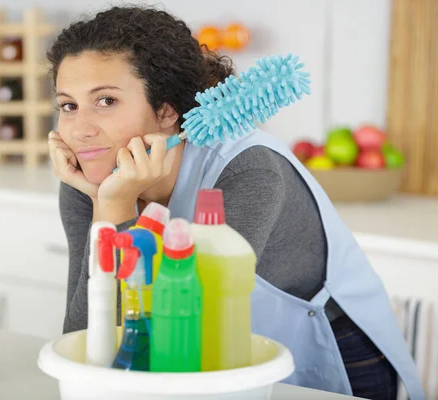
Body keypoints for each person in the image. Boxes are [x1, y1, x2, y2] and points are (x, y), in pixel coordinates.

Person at [46, 5, 424, 400]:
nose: (81, 129)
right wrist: (107, 208)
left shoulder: (250, 170)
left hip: (333, 352)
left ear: (165, 112)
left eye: (105, 100)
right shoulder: (89, 182)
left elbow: (177, 332)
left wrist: (118, 209)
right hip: (220, 362)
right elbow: (87, 339)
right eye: (68, 105)